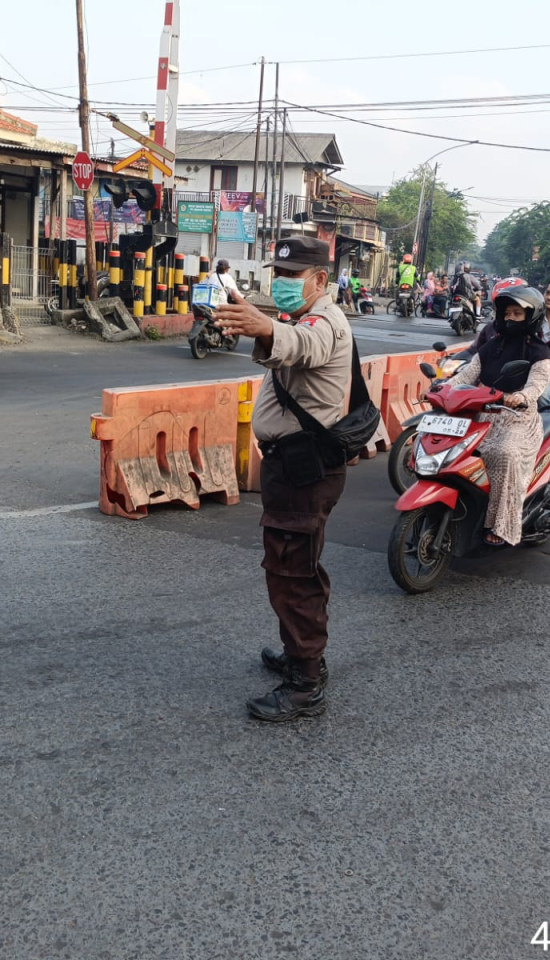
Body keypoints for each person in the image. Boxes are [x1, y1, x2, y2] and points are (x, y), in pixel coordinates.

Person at [212, 236, 351, 723]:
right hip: (293, 466)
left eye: (292, 276)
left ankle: (305, 683)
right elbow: (286, 347)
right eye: (280, 274)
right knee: (297, 565)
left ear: (319, 280)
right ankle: (302, 655)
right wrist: (265, 325)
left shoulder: (323, 323)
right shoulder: (304, 318)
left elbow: (300, 346)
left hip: (304, 469)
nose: (283, 283)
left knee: (292, 573)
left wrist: (266, 326)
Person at [442, 285, 550, 546]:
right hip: (484, 414)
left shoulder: (539, 352)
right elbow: (467, 375)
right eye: (507, 313)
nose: (510, 318)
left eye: (517, 313)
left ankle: (501, 524)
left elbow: (537, 385)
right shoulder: (491, 346)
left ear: (531, 317)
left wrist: (521, 397)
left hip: (517, 418)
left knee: (504, 454)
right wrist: (442, 388)